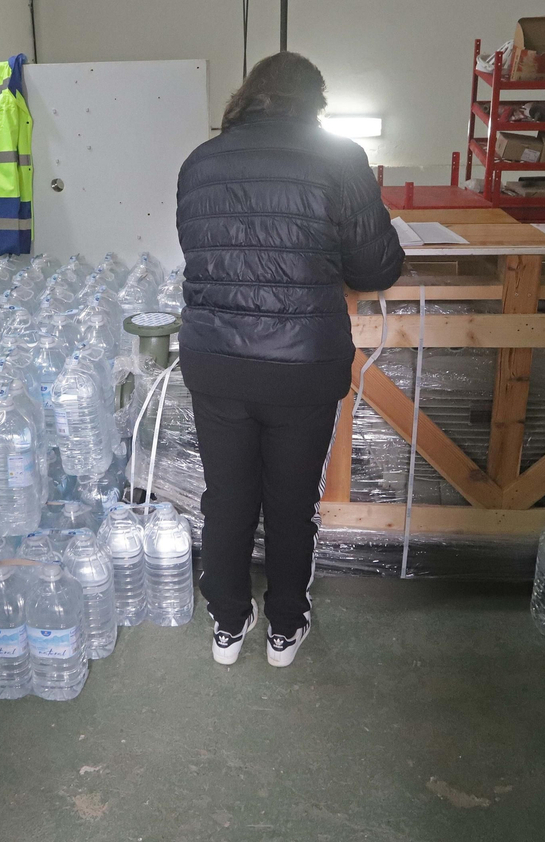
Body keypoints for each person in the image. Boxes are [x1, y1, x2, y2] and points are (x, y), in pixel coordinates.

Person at [174, 52, 403, 668]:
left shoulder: (201, 162)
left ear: (249, 96)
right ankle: (283, 629)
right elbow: (377, 267)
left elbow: (201, 253)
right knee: (290, 499)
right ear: (314, 103)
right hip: (302, 367)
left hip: (215, 360)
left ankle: (226, 625)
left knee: (225, 497)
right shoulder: (340, 157)